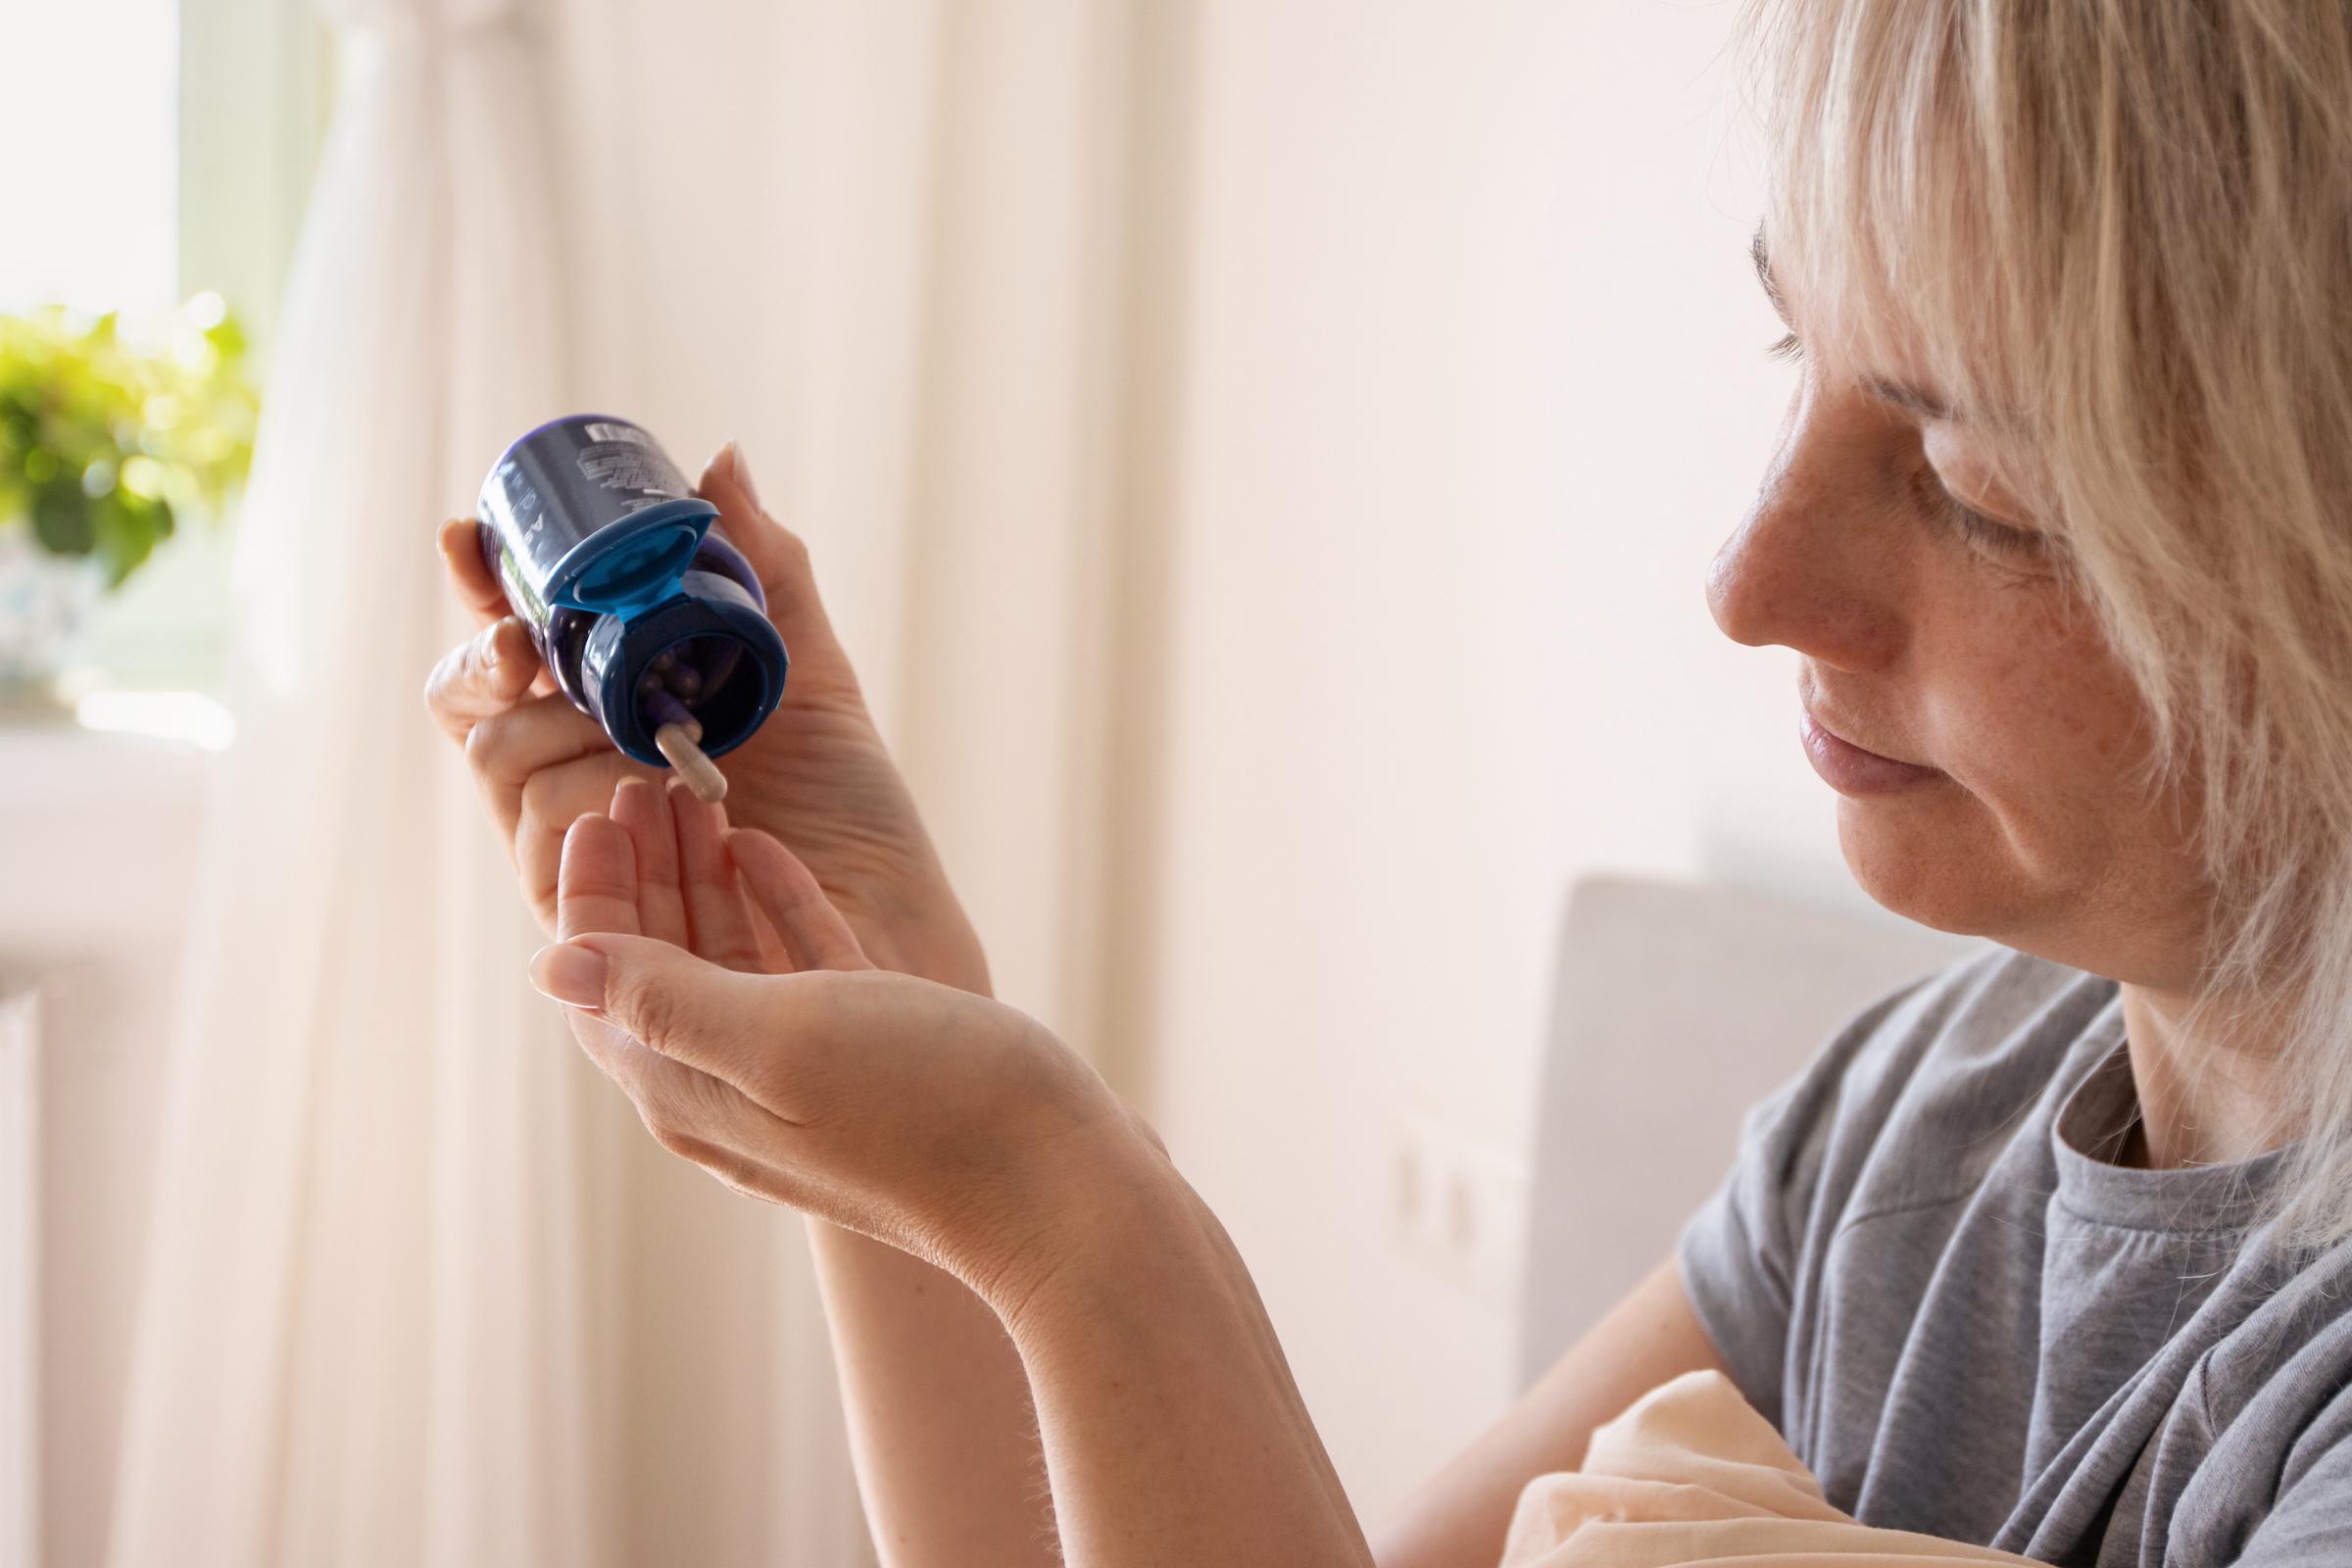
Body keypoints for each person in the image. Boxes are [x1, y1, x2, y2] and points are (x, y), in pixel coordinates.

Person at [423, 0, 2352, 1562]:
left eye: (1972, 486)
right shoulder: (1914, 1128)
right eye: (1799, 346)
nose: (1751, 577)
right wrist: (898, 998)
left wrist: (1080, 1214)